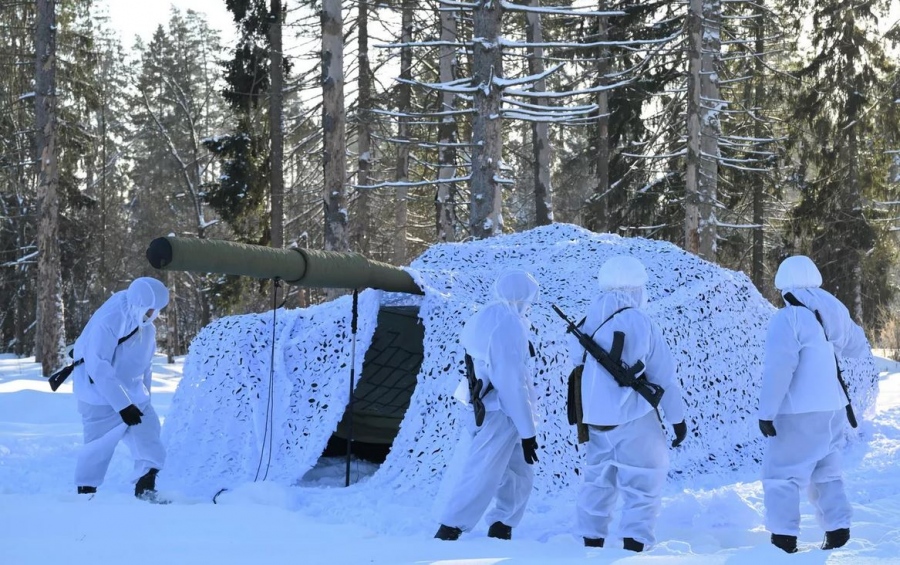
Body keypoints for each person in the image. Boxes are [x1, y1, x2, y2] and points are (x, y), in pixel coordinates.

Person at [570, 255, 687, 552]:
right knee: (645, 480)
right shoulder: (640, 320)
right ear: (636, 287)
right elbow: (664, 375)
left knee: (597, 481)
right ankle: (634, 547)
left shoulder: (586, 320)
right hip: (635, 417)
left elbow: (577, 365)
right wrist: (677, 418)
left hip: (595, 419)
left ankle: (591, 543)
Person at [758, 255, 870, 553]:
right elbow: (858, 347)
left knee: (781, 475)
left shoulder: (788, 318)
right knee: (827, 473)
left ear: (783, 284)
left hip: (798, 411)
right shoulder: (833, 309)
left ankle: (783, 542)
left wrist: (767, 412)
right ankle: (838, 534)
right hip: (833, 409)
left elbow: (779, 368)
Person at [435, 268, 541, 541]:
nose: (529, 306)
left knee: (518, 473)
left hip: (490, 407)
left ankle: (502, 525)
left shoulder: (487, 315)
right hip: (501, 412)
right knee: (482, 471)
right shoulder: (508, 324)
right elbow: (511, 382)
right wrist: (528, 432)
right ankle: (450, 528)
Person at [72, 276, 169, 500]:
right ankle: (85, 494)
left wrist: (144, 397)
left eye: (157, 309)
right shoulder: (110, 319)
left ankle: (145, 489)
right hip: (99, 397)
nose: (154, 314)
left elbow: (146, 365)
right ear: (140, 303)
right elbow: (98, 366)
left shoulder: (146, 327)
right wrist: (122, 405)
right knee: (98, 447)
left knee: (149, 437)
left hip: (134, 396)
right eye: (151, 308)